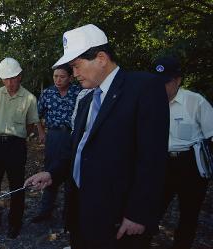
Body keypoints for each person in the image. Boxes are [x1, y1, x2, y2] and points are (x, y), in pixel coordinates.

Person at [25, 24, 169, 249]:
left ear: (101, 57)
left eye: (76, 65)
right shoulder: (86, 100)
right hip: (81, 213)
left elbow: (153, 158)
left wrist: (138, 213)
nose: (74, 73)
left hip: (118, 220)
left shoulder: (143, 88)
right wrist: (53, 173)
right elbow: (78, 150)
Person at [153, 56, 213, 249]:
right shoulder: (150, 103)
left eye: (166, 82)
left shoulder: (195, 101)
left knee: (189, 212)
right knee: (152, 207)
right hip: (161, 163)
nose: (161, 87)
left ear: (178, 80)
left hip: (190, 164)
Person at [0, 57, 45, 239]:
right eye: (6, 78)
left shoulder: (29, 98)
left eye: (13, 77)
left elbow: (31, 125)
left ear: (20, 76)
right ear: (1, 79)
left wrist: (16, 134)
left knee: (17, 186)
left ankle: (15, 223)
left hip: (16, 146)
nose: (10, 82)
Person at [31, 64, 81, 223]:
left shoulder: (78, 93)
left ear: (70, 77)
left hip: (73, 136)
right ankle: (45, 211)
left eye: (62, 77)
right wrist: (41, 132)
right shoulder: (47, 93)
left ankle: (69, 215)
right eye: (55, 76)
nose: (58, 80)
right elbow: (36, 115)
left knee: (71, 174)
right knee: (50, 171)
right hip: (53, 136)